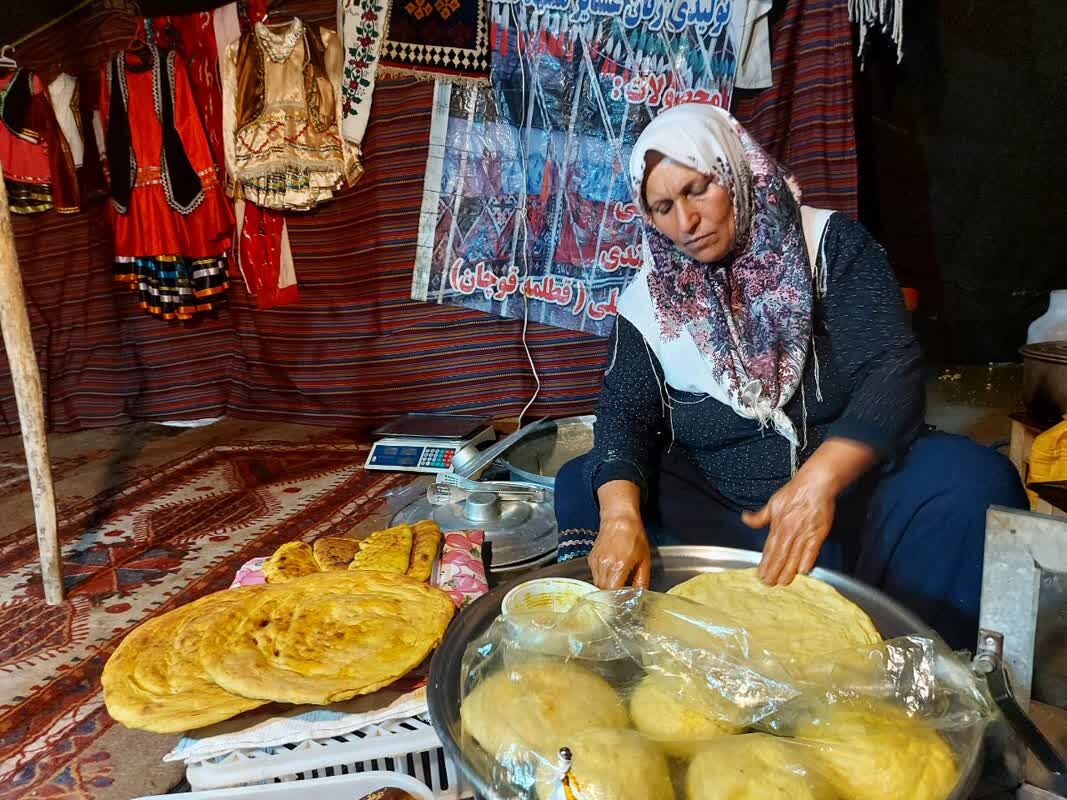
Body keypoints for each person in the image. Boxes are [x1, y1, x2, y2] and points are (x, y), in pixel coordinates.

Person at [554, 103, 1027, 650]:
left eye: (698, 189)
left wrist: (819, 481)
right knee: (589, 484)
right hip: (735, 518)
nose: (685, 223)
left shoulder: (830, 248)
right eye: (663, 207)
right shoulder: (649, 301)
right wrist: (618, 515)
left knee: (974, 484)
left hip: (851, 499)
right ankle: (666, 639)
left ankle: (910, 666)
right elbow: (626, 412)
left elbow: (889, 367)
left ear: (735, 170)